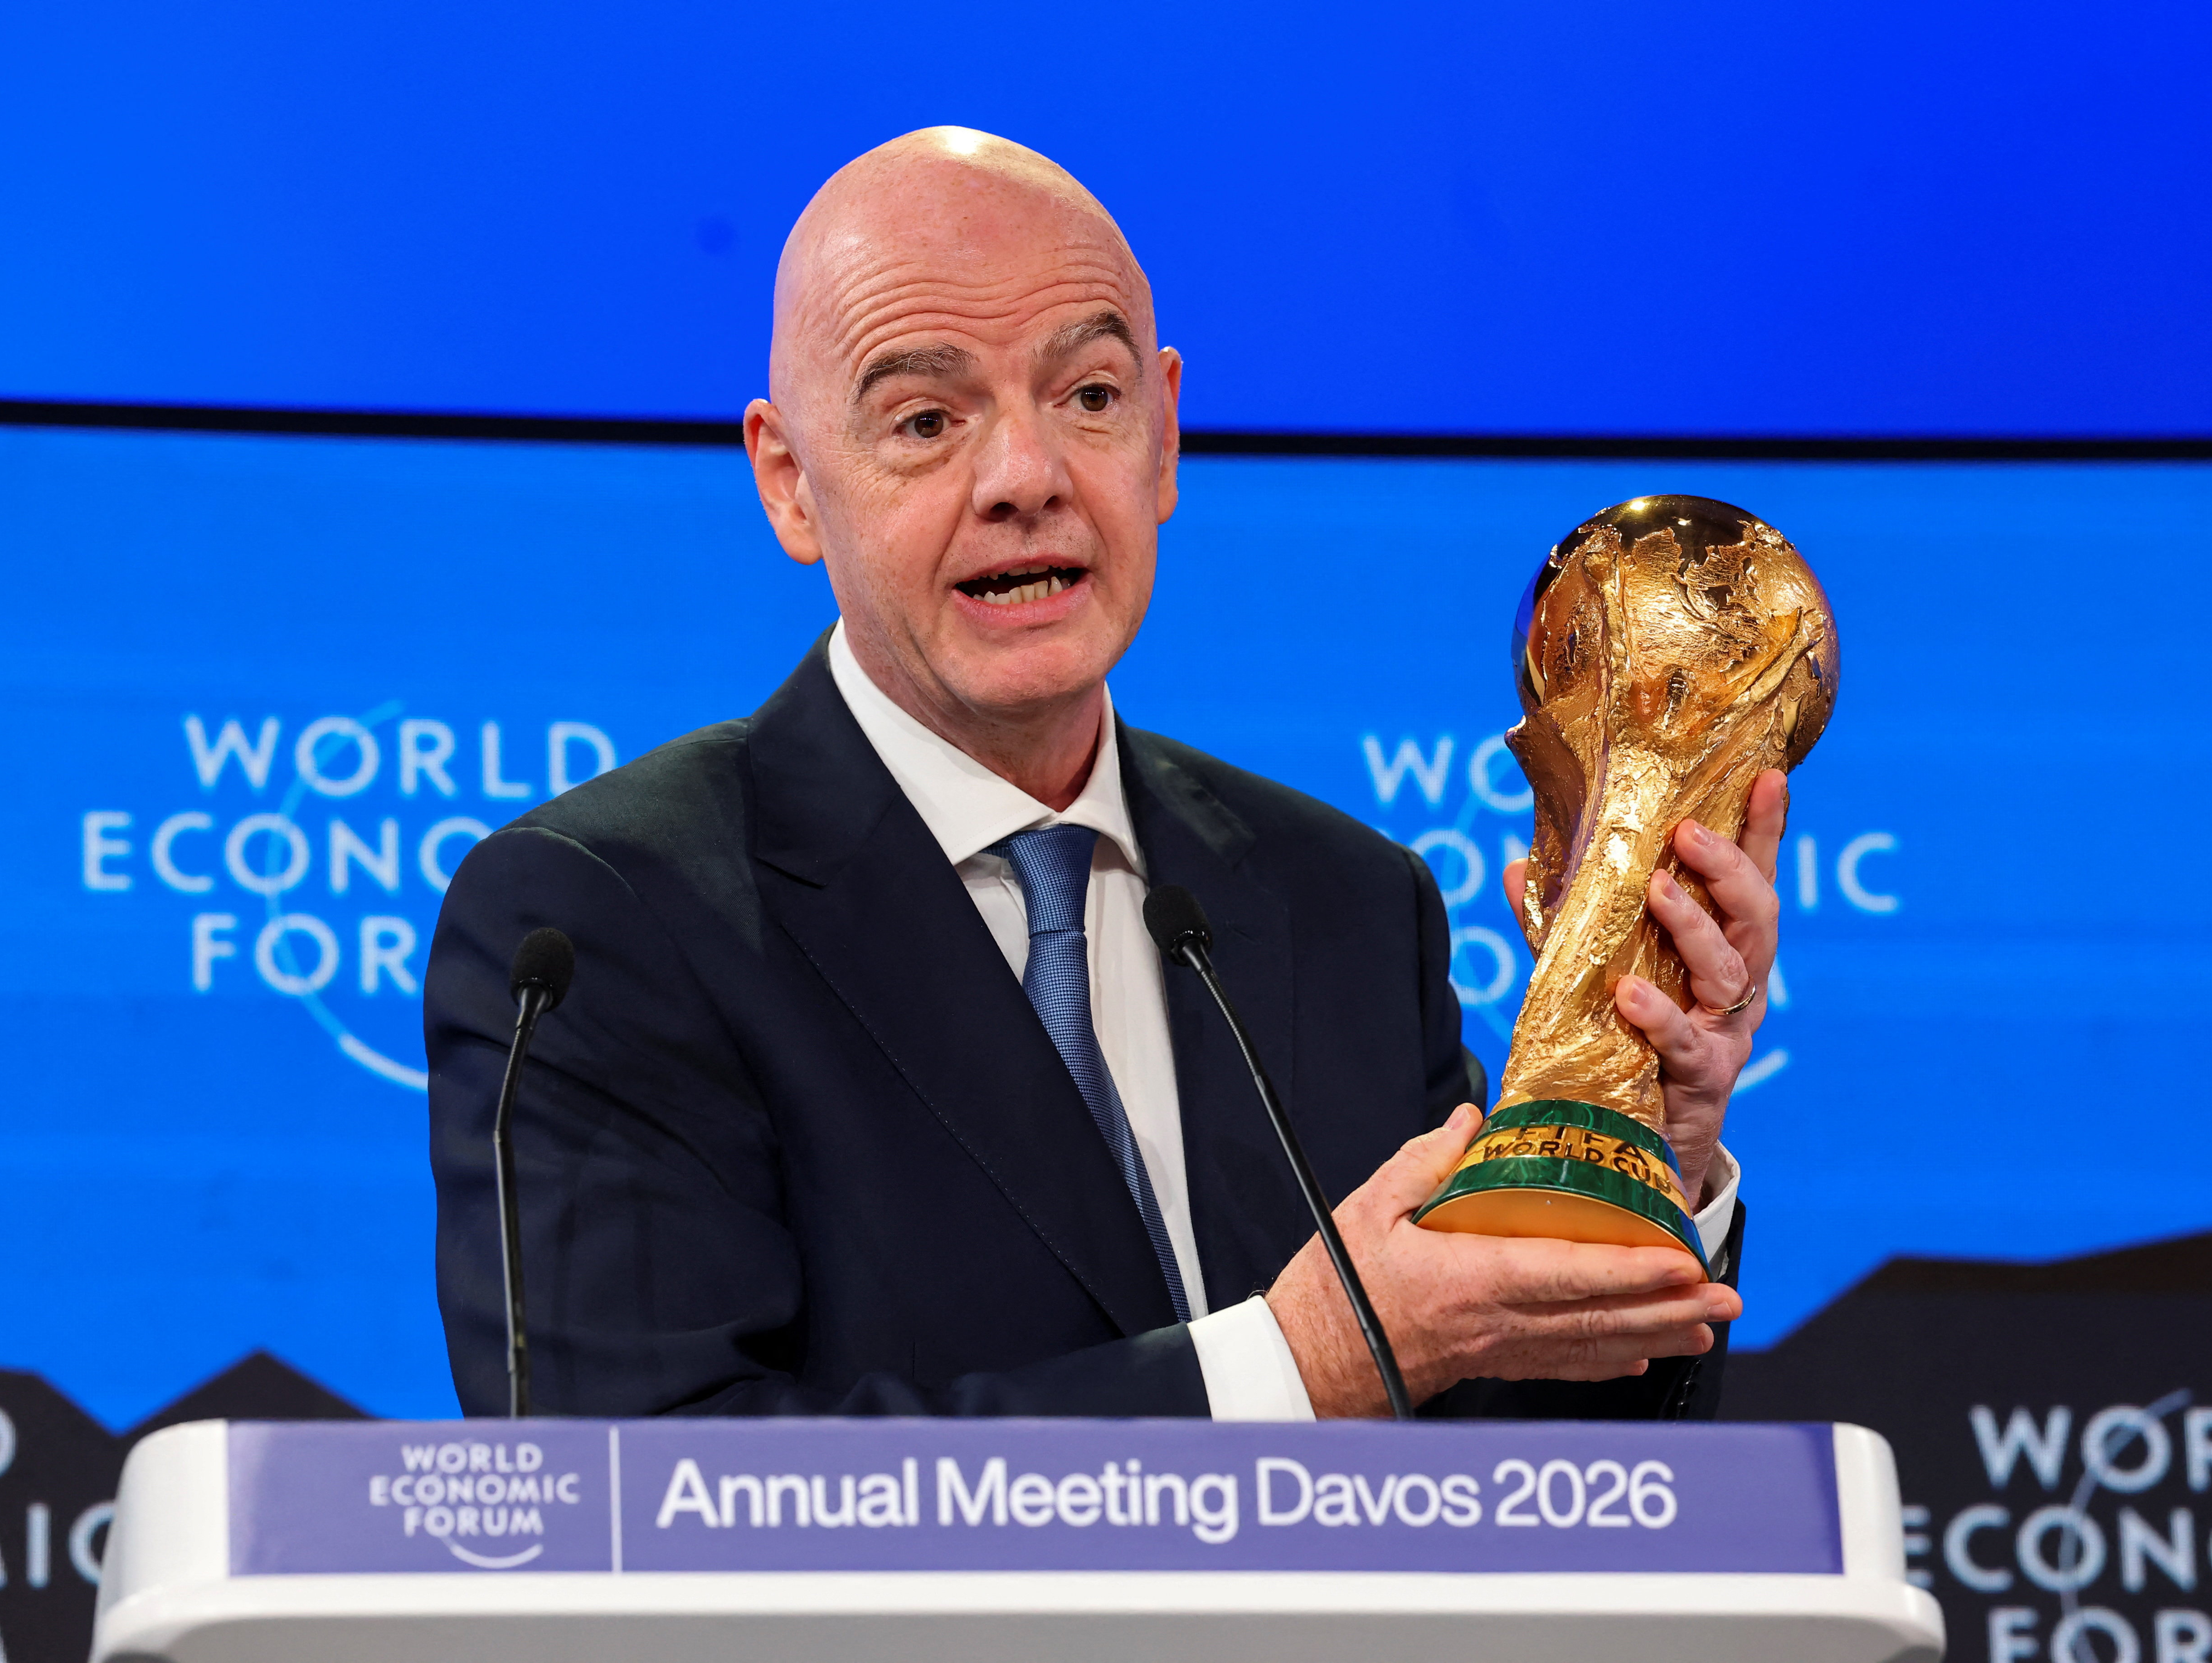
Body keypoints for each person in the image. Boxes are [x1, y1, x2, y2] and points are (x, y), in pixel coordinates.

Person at [426, 127, 1775, 1420]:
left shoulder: (1345, 905)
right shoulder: (598, 924)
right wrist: (1293, 1365)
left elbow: (1505, 1477)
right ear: (789, 482)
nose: (1026, 475)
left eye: (1087, 397)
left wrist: (1644, 1154)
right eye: (925, 419)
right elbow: (637, 1489)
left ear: (1166, 433)